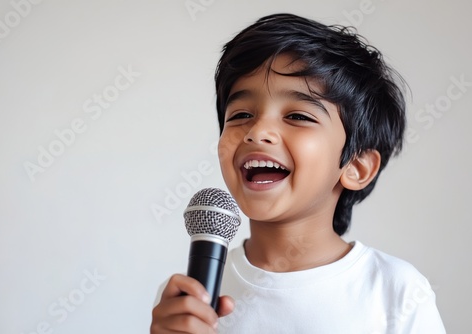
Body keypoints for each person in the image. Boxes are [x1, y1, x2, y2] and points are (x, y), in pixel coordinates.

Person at [150, 13, 446, 333]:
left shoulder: (397, 291)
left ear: (356, 167)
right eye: (242, 114)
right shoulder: (187, 297)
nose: (258, 131)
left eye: (297, 116)